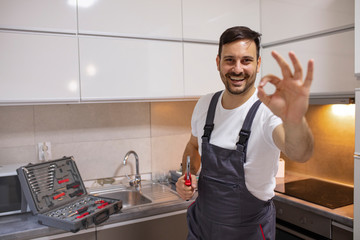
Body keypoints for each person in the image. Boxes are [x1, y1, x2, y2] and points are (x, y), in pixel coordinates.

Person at [175, 26, 314, 240]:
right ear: (218, 62)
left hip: (247, 232)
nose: (237, 69)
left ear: (258, 64)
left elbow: (300, 153)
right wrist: (188, 176)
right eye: (230, 60)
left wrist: (295, 120)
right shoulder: (205, 104)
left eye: (246, 61)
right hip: (202, 228)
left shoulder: (268, 112)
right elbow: (193, 145)